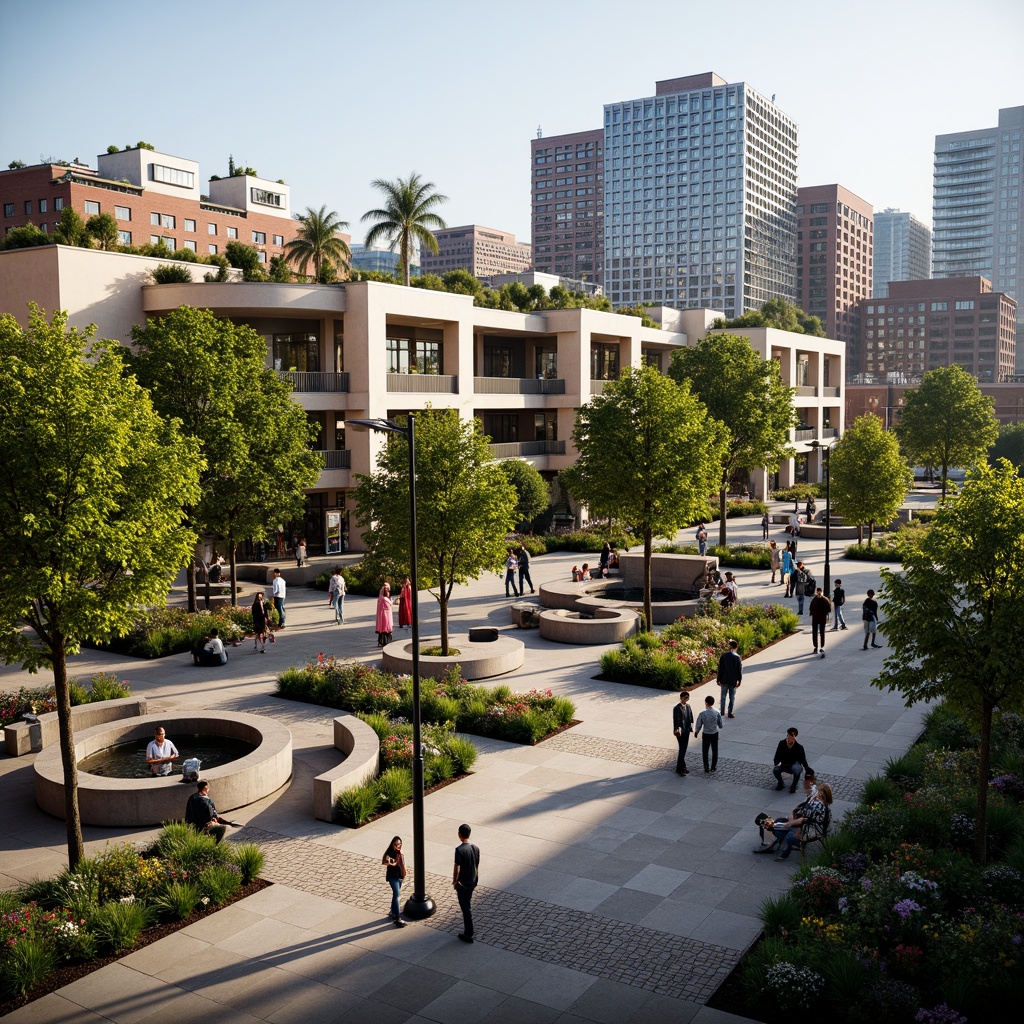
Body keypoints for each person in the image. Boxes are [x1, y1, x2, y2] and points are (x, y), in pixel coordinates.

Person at [771, 783, 833, 861]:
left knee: (786, 832)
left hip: (811, 830)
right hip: (819, 828)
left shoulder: (816, 805)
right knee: (787, 823)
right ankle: (790, 844)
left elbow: (802, 819)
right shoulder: (826, 805)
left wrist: (791, 823)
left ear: (820, 793)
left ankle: (787, 850)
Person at [184, 779, 239, 843]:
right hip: (203, 827)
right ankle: (214, 845)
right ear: (205, 788)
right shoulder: (207, 801)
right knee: (222, 829)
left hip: (191, 826)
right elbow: (212, 816)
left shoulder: (192, 797)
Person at [453, 823, 480, 943]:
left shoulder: (459, 850)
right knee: (467, 904)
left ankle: (468, 933)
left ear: (459, 835)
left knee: (465, 907)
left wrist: (455, 881)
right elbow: (476, 865)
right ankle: (468, 930)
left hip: (463, 884)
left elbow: (456, 867)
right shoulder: (475, 848)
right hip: (473, 881)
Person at [772, 727, 812, 793]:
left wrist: (806, 767)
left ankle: (794, 785)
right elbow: (777, 755)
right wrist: (777, 763)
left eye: (790, 737)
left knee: (797, 768)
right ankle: (780, 783)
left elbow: (803, 759)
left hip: (793, 765)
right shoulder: (782, 743)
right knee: (776, 770)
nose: (788, 738)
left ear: (794, 738)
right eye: (787, 736)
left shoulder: (799, 747)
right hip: (784, 764)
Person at [382, 836, 408, 927]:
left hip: (399, 876)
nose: (398, 845)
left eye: (400, 844)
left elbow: (402, 864)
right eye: (396, 844)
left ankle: (393, 911)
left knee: (395, 894)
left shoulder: (400, 853)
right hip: (393, 877)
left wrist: (404, 874)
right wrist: (392, 862)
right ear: (392, 844)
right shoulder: (389, 853)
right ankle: (397, 918)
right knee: (397, 895)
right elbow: (386, 861)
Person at [694, 695, 724, 773]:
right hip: (714, 733)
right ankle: (713, 766)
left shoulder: (702, 713)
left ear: (706, 703)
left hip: (706, 733)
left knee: (705, 751)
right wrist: (719, 726)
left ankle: (706, 767)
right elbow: (720, 724)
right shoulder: (717, 712)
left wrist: (697, 731)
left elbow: (699, 724)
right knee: (715, 750)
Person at [716, 638, 742, 717]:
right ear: (736, 647)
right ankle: (730, 712)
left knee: (723, 696)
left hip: (724, 679)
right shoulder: (737, 657)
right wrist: (739, 680)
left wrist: (718, 679)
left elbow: (720, 668)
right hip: (733, 680)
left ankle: (722, 712)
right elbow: (739, 670)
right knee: (731, 697)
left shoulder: (724, 656)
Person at [672, 691, 694, 775]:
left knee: (683, 749)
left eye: (687, 698)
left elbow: (690, 717)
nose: (686, 699)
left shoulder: (688, 706)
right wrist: (676, 729)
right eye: (685, 698)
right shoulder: (677, 708)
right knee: (682, 749)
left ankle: (682, 767)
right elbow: (675, 720)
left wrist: (691, 726)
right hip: (680, 732)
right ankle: (680, 768)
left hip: (686, 730)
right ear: (681, 698)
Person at [808, 587, 832, 658]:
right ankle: (820, 646)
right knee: (821, 632)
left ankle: (817, 646)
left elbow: (811, 608)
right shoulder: (825, 599)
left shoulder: (815, 599)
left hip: (816, 618)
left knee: (816, 632)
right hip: (821, 618)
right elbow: (829, 609)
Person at [376, 582, 394, 647]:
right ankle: (386, 641)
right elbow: (388, 607)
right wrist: (391, 602)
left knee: (382, 631)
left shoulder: (380, 598)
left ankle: (381, 641)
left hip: (381, 619)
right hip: (386, 619)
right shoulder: (385, 599)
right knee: (386, 630)